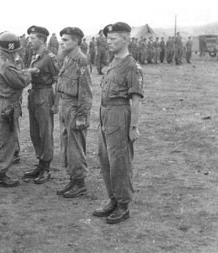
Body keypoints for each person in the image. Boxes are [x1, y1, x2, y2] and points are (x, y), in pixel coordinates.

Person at [92, 22, 144, 224]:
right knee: (105, 159)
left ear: (126, 39)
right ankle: (113, 199)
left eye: (113, 39)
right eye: (108, 39)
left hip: (120, 115)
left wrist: (133, 127)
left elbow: (136, 100)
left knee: (120, 162)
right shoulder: (113, 62)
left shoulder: (132, 66)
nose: (109, 42)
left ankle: (123, 205)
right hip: (106, 114)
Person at [0, 32, 35, 187]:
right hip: (4, 106)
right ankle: (0, 174)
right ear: (12, 49)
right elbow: (19, 81)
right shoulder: (6, 63)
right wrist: (29, 74)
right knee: (5, 142)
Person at [55, 27, 92, 198]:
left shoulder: (81, 61)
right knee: (66, 145)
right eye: (62, 40)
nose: (62, 43)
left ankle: (80, 183)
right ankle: (73, 178)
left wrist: (82, 115)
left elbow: (85, 91)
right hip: (65, 104)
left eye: (65, 40)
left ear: (76, 41)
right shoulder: (68, 58)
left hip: (75, 108)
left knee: (75, 146)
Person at [21, 25, 59, 184]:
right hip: (34, 93)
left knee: (45, 131)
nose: (30, 41)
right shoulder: (35, 54)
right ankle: (40, 163)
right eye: (29, 38)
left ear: (42, 39)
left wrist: (56, 103)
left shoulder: (49, 56)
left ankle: (46, 168)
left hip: (45, 94)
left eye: (33, 38)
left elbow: (58, 80)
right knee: (35, 131)